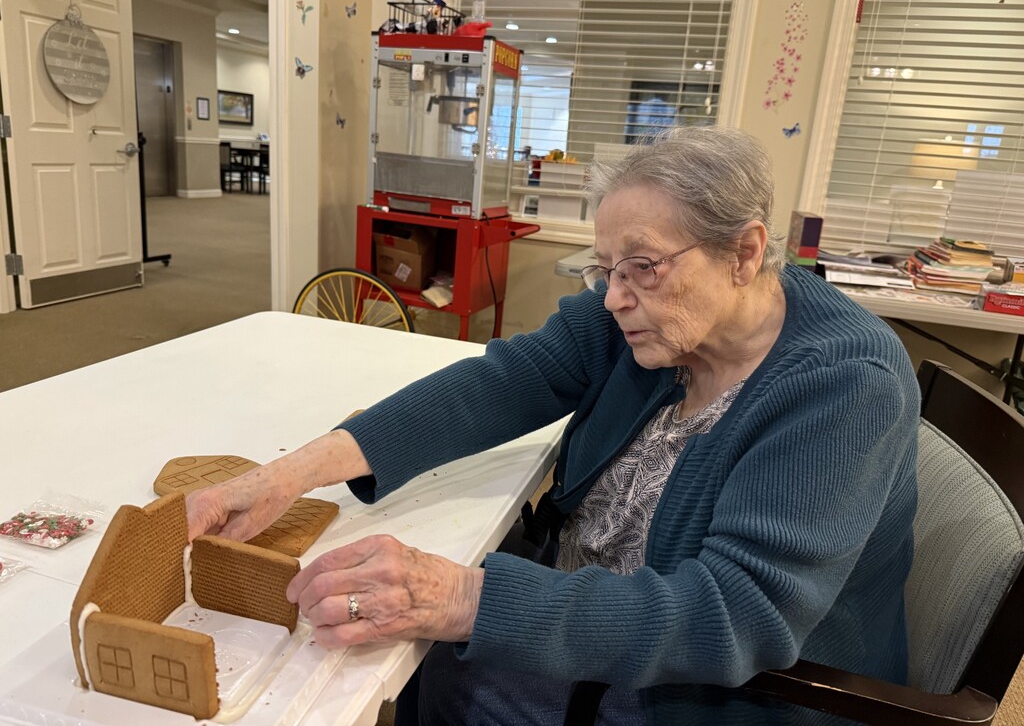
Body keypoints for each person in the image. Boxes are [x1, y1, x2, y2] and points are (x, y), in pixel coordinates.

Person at [186, 126, 919, 725]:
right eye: (607, 270)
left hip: (711, 693)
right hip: (598, 606)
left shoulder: (846, 383)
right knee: (412, 653)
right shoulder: (653, 318)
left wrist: (463, 598)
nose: (615, 297)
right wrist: (288, 474)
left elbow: (733, 616)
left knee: (436, 671)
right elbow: (501, 383)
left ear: (746, 253)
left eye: (642, 267)